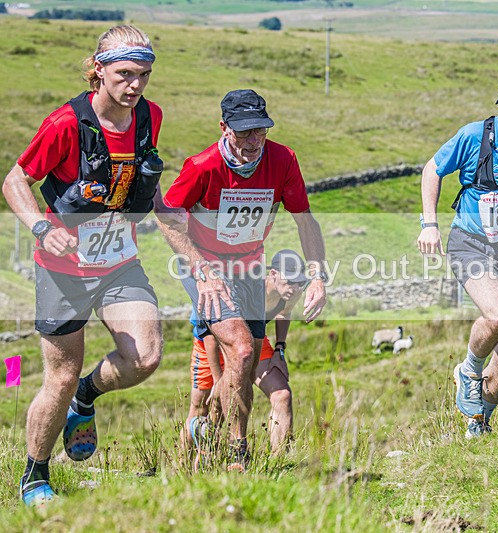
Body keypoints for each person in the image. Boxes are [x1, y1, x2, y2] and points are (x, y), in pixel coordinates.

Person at [2, 25, 164, 505]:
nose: (134, 86)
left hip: (118, 261)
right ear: (98, 69)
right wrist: (40, 228)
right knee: (60, 375)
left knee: (146, 357)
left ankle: (87, 397)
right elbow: (15, 180)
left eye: (144, 75)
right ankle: (35, 475)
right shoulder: (64, 125)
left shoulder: (150, 117)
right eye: (125, 74)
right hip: (63, 267)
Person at [157, 89, 326, 472]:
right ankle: (239, 453)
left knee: (242, 367)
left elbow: (305, 219)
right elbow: (167, 219)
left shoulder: (283, 160)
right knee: (244, 350)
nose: (253, 141)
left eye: (260, 132)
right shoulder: (201, 166)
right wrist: (202, 272)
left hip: (249, 266)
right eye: (244, 132)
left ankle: (201, 447)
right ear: (224, 128)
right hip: (205, 268)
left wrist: (317, 277)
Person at [416, 69, 498, 437]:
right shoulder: (477, 135)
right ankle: (469, 369)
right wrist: (430, 224)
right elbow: (433, 169)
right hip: (471, 242)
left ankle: (480, 422)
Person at [185, 249, 308, 465]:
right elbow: (210, 330)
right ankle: (185, 464)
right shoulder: (249, 286)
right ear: (273, 273)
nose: (296, 287)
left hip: (252, 340)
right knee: (203, 406)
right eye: (291, 281)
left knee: (282, 394)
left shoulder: (293, 291)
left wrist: (280, 349)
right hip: (210, 339)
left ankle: (280, 463)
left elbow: (284, 313)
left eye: (301, 282)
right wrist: (218, 380)